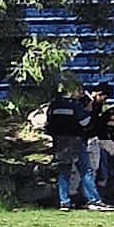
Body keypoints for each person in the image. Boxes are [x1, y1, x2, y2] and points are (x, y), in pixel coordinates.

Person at [44, 80, 92, 208]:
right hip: (74, 140)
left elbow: (48, 123)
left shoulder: (53, 105)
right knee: (85, 170)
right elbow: (85, 122)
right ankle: (93, 199)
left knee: (63, 171)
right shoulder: (74, 105)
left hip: (59, 141)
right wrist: (88, 110)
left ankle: (64, 202)